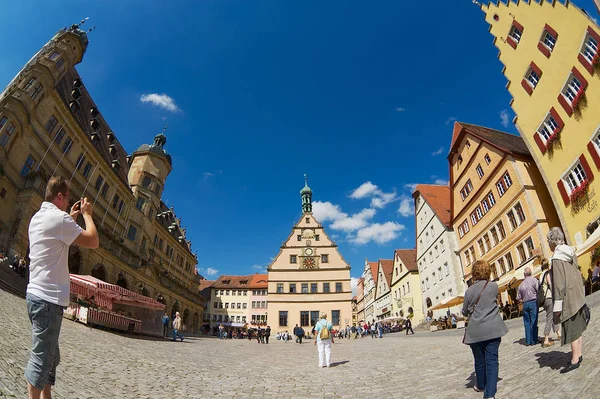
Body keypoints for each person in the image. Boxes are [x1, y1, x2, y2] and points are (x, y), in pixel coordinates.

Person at [25, 177, 99, 399]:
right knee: (41, 359)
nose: (69, 202)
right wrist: (87, 214)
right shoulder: (59, 219)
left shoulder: (38, 217)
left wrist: (70, 217)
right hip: (48, 300)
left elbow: (56, 233)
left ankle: (47, 396)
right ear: (59, 196)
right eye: (67, 197)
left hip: (36, 295)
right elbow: (93, 240)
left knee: (50, 357)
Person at [462, 260, 508, 399]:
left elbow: (464, 312)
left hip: (475, 331)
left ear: (474, 273)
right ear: (488, 271)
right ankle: (489, 394)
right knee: (492, 361)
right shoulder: (494, 286)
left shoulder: (468, 291)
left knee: (479, 360)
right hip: (493, 328)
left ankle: (481, 385)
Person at [547, 227, 587, 373]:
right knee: (578, 325)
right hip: (577, 292)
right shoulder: (570, 251)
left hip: (567, 297)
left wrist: (557, 306)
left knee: (572, 328)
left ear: (552, 241)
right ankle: (579, 354)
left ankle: (575, 359)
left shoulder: (557, 258)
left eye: (548, 241)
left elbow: (558, 284)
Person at [539, 259, 561, 348]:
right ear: (547, 265)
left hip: (544, 300)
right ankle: (546, 339)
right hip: (549, 297)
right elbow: (550, 285)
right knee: (550, 318)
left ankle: (558, 333)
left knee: (553, 316)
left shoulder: (540, 275)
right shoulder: (546, 273)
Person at [517, 266, 539, 346]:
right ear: (531, 273)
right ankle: (534, 340)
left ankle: (528, 340)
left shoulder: (520, 285)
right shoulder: (534, 281)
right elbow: (538, 290)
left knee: (526, 322)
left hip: (525, 304)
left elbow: (518, 298)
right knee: (533, 321)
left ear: (524, 275)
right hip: (533, 302)